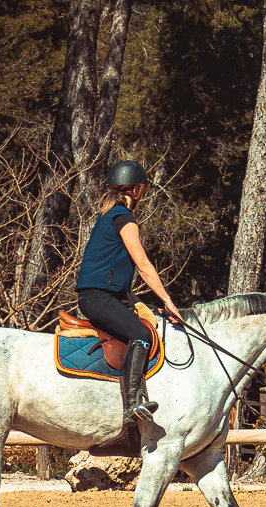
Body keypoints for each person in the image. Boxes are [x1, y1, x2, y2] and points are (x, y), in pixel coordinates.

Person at [75, 160, 183, 428]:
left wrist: (137, 302)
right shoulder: (124, 219)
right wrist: (168, 302)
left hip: (100, 296)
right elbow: (144, 265)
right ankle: (133, 404)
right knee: (142, 335)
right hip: (98, 298)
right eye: (142, 190)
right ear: (135, 190)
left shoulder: (107, 216)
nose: (142, 195)